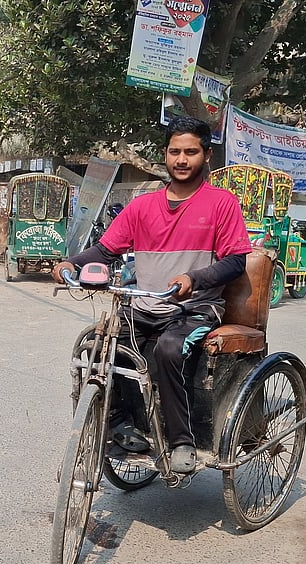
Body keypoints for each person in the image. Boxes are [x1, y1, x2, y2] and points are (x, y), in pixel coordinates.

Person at [52, 116, 254, 473]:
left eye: (190, 152)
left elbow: (236, 262)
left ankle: (182, 441)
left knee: (169, 349)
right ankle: (120, 423)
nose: (181, 159)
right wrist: (71, 263)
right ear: (165, 154)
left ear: (206, 155)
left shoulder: (221, 204)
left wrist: (195, 278)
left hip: (195, 308)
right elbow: (106, 250)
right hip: (145, 305)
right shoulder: (142, 207)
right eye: (175, 151)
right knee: (99, 345)